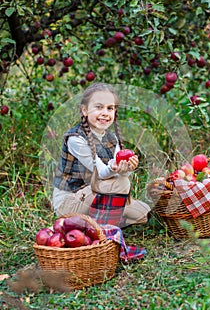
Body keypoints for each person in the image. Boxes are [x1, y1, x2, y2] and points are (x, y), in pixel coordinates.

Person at [52, 82, 151, 227]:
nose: (105, 112)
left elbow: (118, 177)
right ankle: (101, 224)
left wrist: (126, 169)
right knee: (121, 183)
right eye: (99, 107)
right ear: (85, 110)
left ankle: (96, 221)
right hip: (72, 199)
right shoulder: (75, 138)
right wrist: (115, 168)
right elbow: (103, 173)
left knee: (143, 213)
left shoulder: (112, 139)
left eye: (110, 108)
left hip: (100, 193)